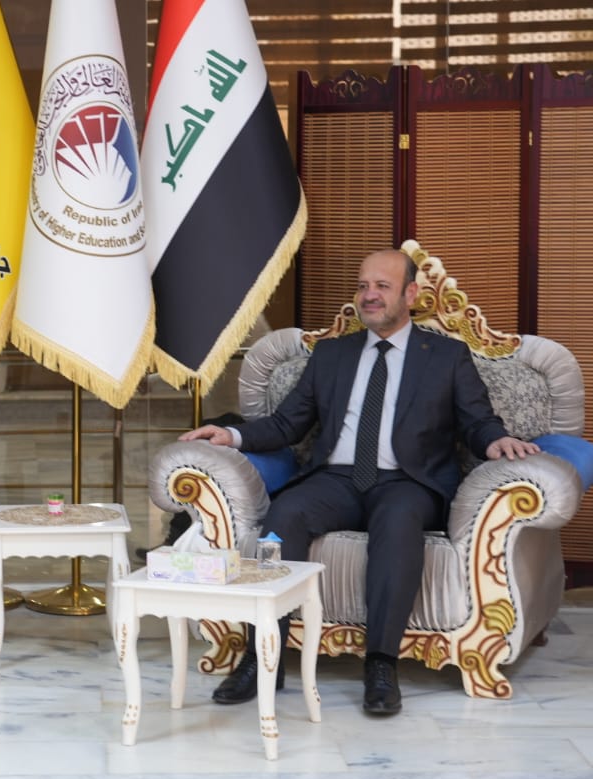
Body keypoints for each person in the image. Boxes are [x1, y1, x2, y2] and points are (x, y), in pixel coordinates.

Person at [180, 248, 538, 716]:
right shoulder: (333, 354)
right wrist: (231, 435)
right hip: (338, 479)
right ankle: (263, 656)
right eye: (363, 286)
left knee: (398, 520)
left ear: (411, 294)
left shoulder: (447, 356)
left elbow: (478, 420)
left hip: (408, 481)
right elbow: (288, 424)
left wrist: (496, 441)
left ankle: (381, 663)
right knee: (285, 515)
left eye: (382, 287)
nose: (369, 295)